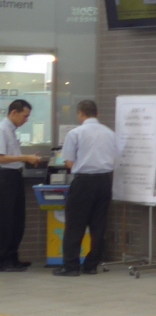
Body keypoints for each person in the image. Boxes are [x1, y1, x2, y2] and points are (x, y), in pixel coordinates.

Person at [55, 100, 119, 277]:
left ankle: (71, 266)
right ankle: (91, 265)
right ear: (97, 114)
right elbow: (115, 158)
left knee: (75, 225)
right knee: (99, 225)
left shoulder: (75, 133)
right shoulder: (110, 133)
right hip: (104, 181)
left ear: (80, 114)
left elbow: (69, 162)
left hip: (83, 182)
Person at [0, 99, 42, 272]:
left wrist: (27, 159)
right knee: (6, 219)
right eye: (25, 116)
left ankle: (12, 257)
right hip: (5, 177)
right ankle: (3, 260)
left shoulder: (12, 131)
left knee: (17, 219)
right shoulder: (2, 129)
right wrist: (25, 157)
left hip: (15, 176)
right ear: (14, 113)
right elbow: (1, 158)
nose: (26, 120)